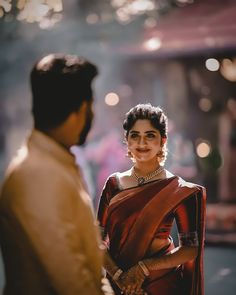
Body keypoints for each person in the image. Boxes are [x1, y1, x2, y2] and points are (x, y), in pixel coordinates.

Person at [0, 54, 113, 295]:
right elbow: (73, 282)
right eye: (92, 105)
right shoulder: (38, 175)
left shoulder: (54, 162)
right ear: (83, 108)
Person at [97, 103, 206, 295]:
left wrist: (144, 267)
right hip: (117, 285)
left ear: (163, 140)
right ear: (127, 140)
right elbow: (97, 240)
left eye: (150, 135)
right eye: (135, 135)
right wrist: (119, 276)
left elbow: (190, 249)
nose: (142, 143)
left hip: (160, 284)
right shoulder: (113, 184)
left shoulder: (177, 189)